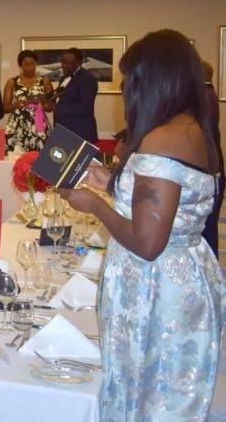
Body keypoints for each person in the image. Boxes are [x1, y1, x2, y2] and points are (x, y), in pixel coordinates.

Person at [59, 30, 224, 420]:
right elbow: (171, 202)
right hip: (183, 271)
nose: (126, 88)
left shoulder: (162, 139)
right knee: (164, 391)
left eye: (130, 79)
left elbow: (148, 242)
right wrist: (113, 183)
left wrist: (95, 206)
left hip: (157, 285)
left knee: (147, 394)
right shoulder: (190, 127)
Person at [3, 50, 54, 153]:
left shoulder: (45, 81)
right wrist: (16, 105)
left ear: (36, 63)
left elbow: (51, 106)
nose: (30, 67)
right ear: (20, 66)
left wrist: (43, 104)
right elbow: (5, 108)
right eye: (26, 65)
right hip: (17, 125)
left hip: (39, 123)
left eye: (32, 64)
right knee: (15, 155)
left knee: (41, 156)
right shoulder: (12, 82)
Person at [201, 60, 224, 257]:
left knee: (206, 231)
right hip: (214, 166)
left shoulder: (204, 97)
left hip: (207, 169)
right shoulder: (210, 93)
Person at [53, 47, 99, 143]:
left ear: (79, 63)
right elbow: (62, 100)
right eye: (63, 62)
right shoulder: (63, 78)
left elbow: (84, 108)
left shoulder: (87, 78)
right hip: (63, 132)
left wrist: (56, 108)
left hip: (80, 133)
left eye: (68, 63)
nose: (63, 66)